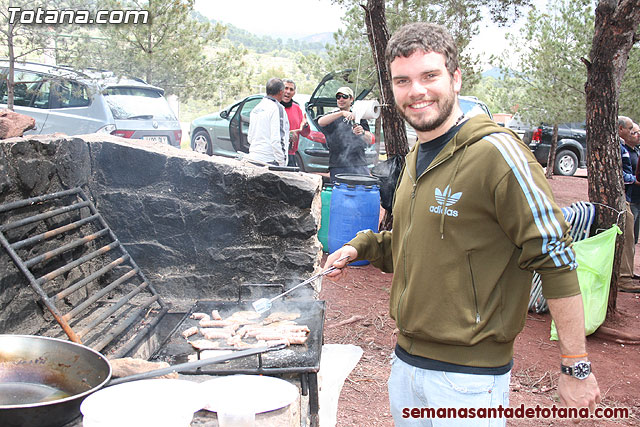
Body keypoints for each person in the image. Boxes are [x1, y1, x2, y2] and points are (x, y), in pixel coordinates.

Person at [324, 22, 600, 425]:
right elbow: (416, 243)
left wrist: (575, 365)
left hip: (467, 380)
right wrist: (362, 246)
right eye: (403, 80)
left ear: (455, 78)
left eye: (429, 75)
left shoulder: (500, 155)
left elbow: (555, 259)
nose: (415, 90)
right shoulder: (418, 155)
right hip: (405, 366)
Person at [317, 86, 373, 182]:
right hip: (338, 165)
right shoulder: (333, 116)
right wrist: (342, 113)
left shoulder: (359, 116)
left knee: (361, 192)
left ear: (351, 99)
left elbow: (370, 138)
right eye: (338, 97)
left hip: (359, 164)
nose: (341, 99)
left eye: (344, 96)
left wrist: (362, 132)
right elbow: (320, 122)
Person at [247, 78, 289, 166]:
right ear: (281, 92)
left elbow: (250, 137)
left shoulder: (256, 108)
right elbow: (277, 139)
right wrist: (282, 162)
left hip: (253, 158)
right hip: (269, 160)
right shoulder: (277, 108)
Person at [619, 116, 640, 292]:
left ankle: (628, 272)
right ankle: (623, 276)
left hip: (634, 198)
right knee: (627, 236)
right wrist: (635, 180)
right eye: (632, 130)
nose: (636, 134)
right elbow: (622, 174)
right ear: (621, 130)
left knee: (633, 237)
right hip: (627, 198)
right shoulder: (620, 148)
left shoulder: (634, 150)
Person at [281, 79, 310, 167]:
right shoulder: (274, 107)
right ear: (280, 90)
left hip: (291, 155)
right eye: (286, 88)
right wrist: (288, 134)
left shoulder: (297, 108)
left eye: (291, 89)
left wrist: (305, 126)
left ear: (294, 93)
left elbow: (305, 133)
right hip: (275, 154)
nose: (288, 92)